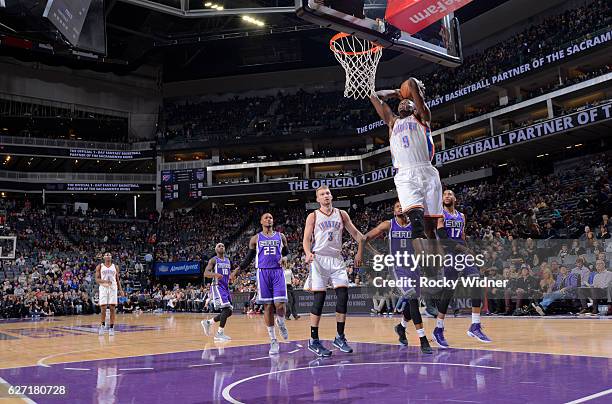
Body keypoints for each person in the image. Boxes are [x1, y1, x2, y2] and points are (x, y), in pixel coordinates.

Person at [369, 78, 444, 239]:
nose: (403, 104)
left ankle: (436, 263)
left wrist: (410, 92)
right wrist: (396, 93)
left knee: (430, 229)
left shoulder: (422, 117)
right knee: (417, 227)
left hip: (426, 171)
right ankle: (424, 263)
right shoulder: (392, 122)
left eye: (408, 102)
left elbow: (411, 83)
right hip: (404, 174)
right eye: (401, 103)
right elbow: (374, 96)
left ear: (415, 105)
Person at [357, 200, 433, 354]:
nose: (399, 207)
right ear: (394, 211)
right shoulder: (389, 224)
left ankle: (401, 327)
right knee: (412, 298)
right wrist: (367, 253)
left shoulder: (414, 225)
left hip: (414, 267)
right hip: (397, 268)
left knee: (413, 302)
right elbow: (364, 238)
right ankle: (423, 339)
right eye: (396, 206)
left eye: (402, 206)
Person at [303, 185, 364, 357]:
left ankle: (339, 336)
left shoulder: (342, 214)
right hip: (319, 258)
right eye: (322, 194)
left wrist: (361, 249)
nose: (326, 196)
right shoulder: (313, 216)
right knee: (319, 299)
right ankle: (314, 340)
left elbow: (357, 234)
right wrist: (308, 253)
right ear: (317, 199)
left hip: (337, 259)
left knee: (343, 295)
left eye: (328, 193)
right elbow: (306, 239)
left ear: (331, 196)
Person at [432, 190, 492, 348]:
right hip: (449, 254)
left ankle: (475, 325)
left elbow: (463, 236)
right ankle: (438, 328)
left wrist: (467, 251)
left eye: (450, 194)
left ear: (455, 198)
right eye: (445, 194)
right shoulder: (440, 215)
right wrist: (461, 248)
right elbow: (442, 237)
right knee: (448, 291)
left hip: (462, 254)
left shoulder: (462, 216)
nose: (447, 196)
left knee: (476, 280)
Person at [237, 213, 290, 355]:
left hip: (278, 272)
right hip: (263, 272)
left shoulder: (281, 236)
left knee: (280, 305)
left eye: (271, 217)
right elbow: (248, 258)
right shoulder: (255, 239)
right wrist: (238, 269)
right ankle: (273, 340)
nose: (269, 219)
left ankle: (282, 323)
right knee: (267, 306)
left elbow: (287, 253)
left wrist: (285, 257)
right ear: (261, 221)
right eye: (266, 217)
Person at [201, 243, 234, 342]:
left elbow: (228, 274)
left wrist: (231, 278)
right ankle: (219, 333)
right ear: (216, 249)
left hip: (226, 287)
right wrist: (215, 274)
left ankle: (208, 322)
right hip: (217, 287)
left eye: (223, 246)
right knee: (226, 308)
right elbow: (206, 273)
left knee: (229, 311)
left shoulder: (228, 261)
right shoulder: (213, 260)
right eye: (219, 246)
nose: (221, 247)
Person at [95, 252, 123, 336]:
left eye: (109, 255)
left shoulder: (115, 267)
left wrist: (120, 290)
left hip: (113, 287)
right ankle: (102, 326)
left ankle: (111, 327)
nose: (108, 256)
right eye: (106, 255)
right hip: (103, 287)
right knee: (103, 308)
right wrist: (105, 281)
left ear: (111, 257)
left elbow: (117, 279)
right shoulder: (100, 266)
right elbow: (97, 279)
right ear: (104, 257)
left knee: (112, 308)